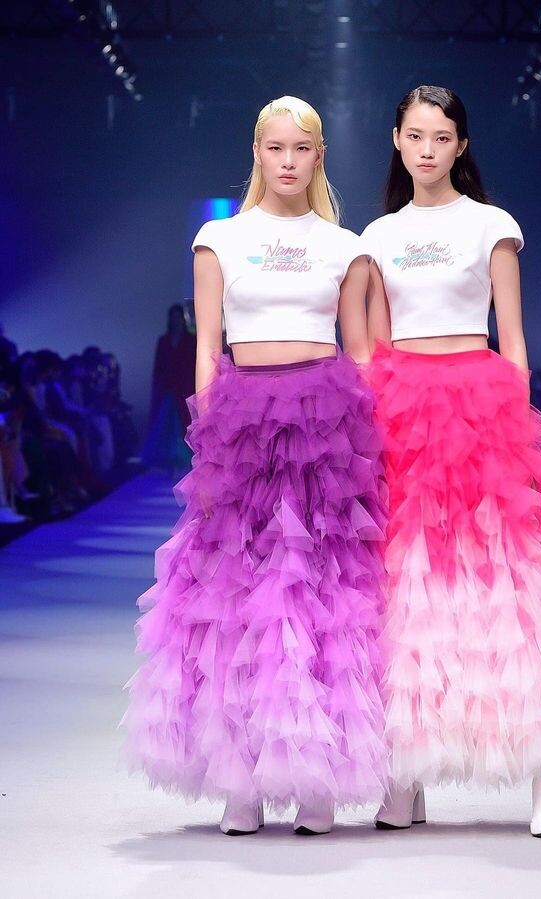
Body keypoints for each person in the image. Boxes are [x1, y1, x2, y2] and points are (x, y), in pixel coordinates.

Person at [122, 96, 388, 836]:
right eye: (276, 147)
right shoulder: (219, 238)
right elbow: (207, 346)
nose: (288, 161)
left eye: (301, 148)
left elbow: (360, 351)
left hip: (326, 423)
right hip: (242, 423)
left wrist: (372, 440)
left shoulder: (345, 246)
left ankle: (315, 780)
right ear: (257, 152)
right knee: (236, 588)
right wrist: (206, 439)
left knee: (320, 591)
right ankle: (240, 779)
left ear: (319, 155)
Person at [363, 85, 541, 838]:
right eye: (415, 135)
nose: (428, 149)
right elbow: (377, 345)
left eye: (442, 137)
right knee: (408, 590)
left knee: (508, 584)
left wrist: (519, 433)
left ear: (461, 145)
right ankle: (405, 777)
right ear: (397, 141)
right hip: (404, 410)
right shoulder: (377, 235)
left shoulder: (492, 224)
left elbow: (515, 338)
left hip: (480, 403)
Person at [142, 304, 196, 473]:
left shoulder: (191, 340)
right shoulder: (164, 341)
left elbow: (193, 365)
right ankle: (170, 462)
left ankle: (185, 460)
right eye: (173, 317)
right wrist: (158, 386)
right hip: (168, 389)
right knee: (167, 425)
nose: (176, 320)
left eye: (178, 317)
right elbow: (158, 366)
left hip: (185, 387)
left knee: (184, 423)